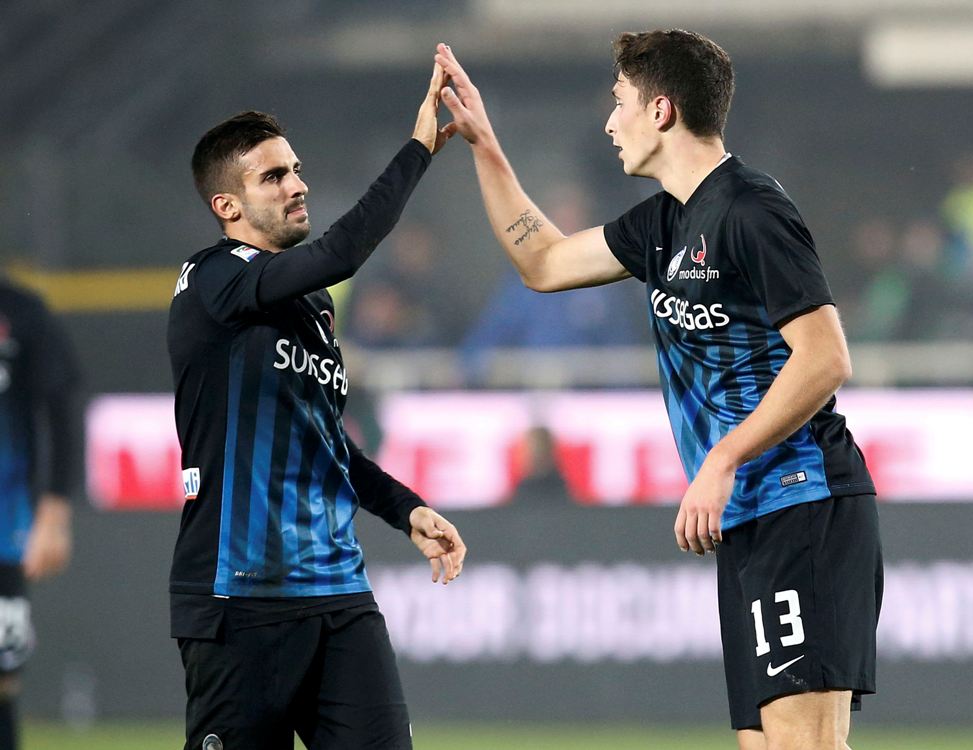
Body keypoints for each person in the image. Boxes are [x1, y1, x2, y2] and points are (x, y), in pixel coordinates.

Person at [435, 31, 881, 750]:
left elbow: (825, 357)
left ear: (662, 110)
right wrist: (484, 143)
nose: (610, 123)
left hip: (804, 504)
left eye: (619, 104)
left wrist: (721, 459)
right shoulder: (663, 224)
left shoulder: (751, 210)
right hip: (748, 519)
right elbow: (544, 262)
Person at [167, 62, 466, 750]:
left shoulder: (311, 305)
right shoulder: (211, 279)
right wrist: (418, 147)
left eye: (295, 169)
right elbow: (344, 249)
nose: (298, 184)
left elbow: (329, 444)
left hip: (336, 595)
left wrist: (407, 509)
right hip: (238, 599)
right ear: (227, 207)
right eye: (273, 176)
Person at [0, 277, 80, 750]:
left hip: (6, 527)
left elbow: (61, 408)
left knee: (2, 681)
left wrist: (53, 516)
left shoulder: (20, 311)